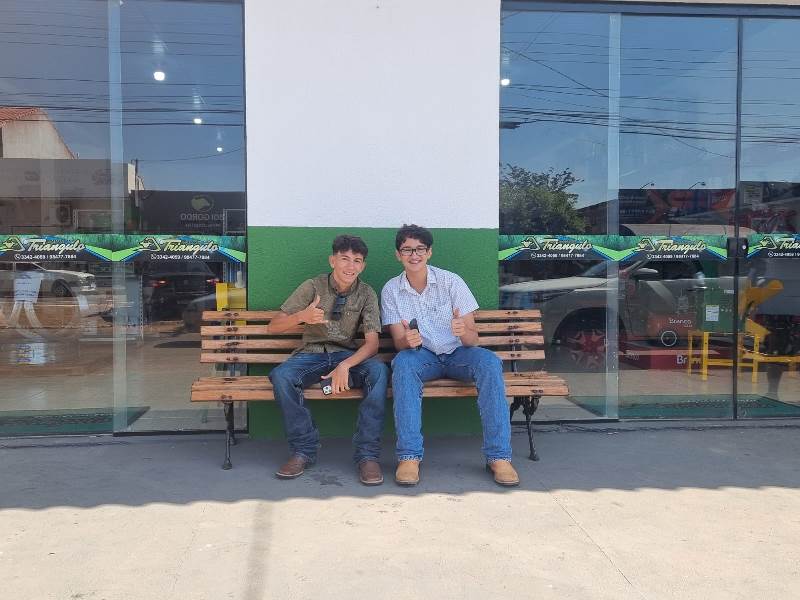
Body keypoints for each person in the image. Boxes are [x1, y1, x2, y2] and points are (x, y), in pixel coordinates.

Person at [381, 224, 519, 487]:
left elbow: (473, 340)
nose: (414, 255)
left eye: (420, 249)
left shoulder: (451, 281)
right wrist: (407, 341)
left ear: (429, 252)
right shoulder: (391, 290)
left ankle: (499, 457)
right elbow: (399, 342)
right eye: (407, 250)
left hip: (459, 354)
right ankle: (409, 457)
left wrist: (463, 330)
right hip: (422, 356)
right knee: (403, 363)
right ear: (398, 255)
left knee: (490, 362)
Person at [268, 235, 388, 485]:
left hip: (346, 355)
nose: (350, 266)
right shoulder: (313, 286)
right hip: (312, 354)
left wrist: (346, 365)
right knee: (281, 376)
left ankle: (367, 455)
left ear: (363, 266)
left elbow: (372, 344)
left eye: (357, 261)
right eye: (345, 259)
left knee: (378, 372)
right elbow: (273, 326)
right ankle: (303, 450)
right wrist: (301, 316)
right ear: (332, 260)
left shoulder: (366, 293)